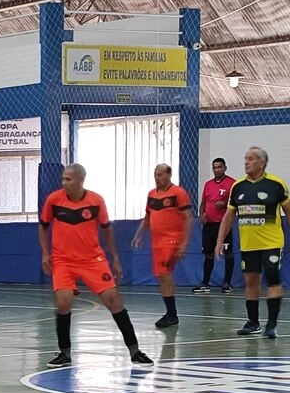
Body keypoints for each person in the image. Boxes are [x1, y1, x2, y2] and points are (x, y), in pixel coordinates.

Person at [39, 163, 153, 368]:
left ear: (80, 180)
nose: (64, 182)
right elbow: (43, 226)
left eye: (69, 179)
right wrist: (46, 254)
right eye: (63, 179)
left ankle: (135, 351)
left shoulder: (96, 200)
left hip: (93, 260)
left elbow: (107, 230)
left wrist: (115, 259)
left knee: (114, 300)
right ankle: (64, 353)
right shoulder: (54, 200)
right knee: (63, 302)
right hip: (63, 260)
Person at [216, 146, 290, 339]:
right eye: (245, 158)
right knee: (251, 281)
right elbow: (229, 216)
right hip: (248, 244)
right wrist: (219, 240)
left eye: (251, 159)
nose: (246, 162)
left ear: (262, 163)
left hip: (271, 242)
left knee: (272, 278)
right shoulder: (237, 187)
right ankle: (253, 323)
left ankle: (271, 324)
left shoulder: (276, 184)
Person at [131, 164, 193, 330]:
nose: (157, 178)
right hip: (156, 242)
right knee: (161, 275)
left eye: (160, 175)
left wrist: (183, 243)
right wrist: (138, 235)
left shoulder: (179, 193)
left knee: (165, 273)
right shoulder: (152, 194)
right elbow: (148, 217)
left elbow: (188, 219)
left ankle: (172, 315)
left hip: (172, 240)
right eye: (155, 175)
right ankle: (170, 313)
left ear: (169, 175)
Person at [196, 157, 235, 293]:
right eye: (214, 167)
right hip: (209, 225)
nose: (217, 169)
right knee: (208, 254)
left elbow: (235, 204)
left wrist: (224, 204)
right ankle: (205, 283)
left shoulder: (232, 183)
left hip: (224, 225)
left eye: (219, 167)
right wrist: (201, 215)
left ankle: (227, 283)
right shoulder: (208, 184)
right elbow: (203, 203)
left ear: (225, 168)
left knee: (227, 253)